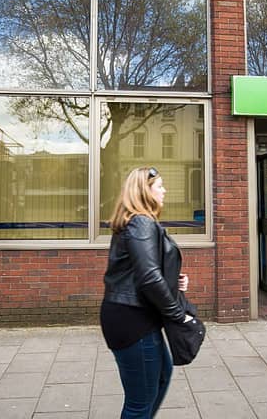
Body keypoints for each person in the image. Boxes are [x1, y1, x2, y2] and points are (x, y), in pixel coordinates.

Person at [100, 166, 191, 418]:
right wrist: (177, 315)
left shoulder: (137, 222)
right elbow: (149, 277)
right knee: (139, 403)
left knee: (162, 376)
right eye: (159, 186)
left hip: (134, 314)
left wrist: (173, 281)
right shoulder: (141, 222)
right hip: (132, 318)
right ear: (145, 191)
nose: (164, 190)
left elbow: (141, 268)